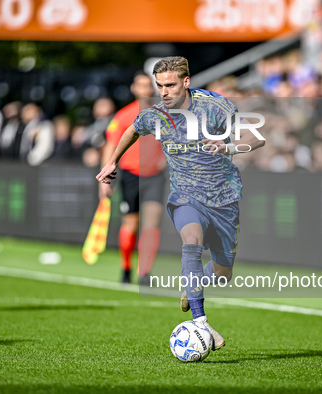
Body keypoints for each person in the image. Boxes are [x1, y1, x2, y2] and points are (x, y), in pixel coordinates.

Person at [97, 57, 265, 350]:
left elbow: (257, 137)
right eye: (159, 86)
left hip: (224, 197)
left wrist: (231, 146)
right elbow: (132, 130)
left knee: (223, 274)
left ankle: (192, 287)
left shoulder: (214, 106)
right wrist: (112, 161)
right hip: (185, 195)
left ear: (186, 83)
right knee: (191, 240)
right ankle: (201, 324)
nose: (164, 92)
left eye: (170, 85)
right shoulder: (155, 114)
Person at [99, 71, 166, 285]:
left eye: (149, 85)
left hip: (155, 175)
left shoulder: (162, 114)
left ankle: (144, 271)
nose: (146, 89)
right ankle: (126, 268)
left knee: (152, 223)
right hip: (130, 175)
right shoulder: (123, 116)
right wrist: (106, 172)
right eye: (142, 85)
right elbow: (110, 144)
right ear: (134, 88)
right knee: (131, 223)